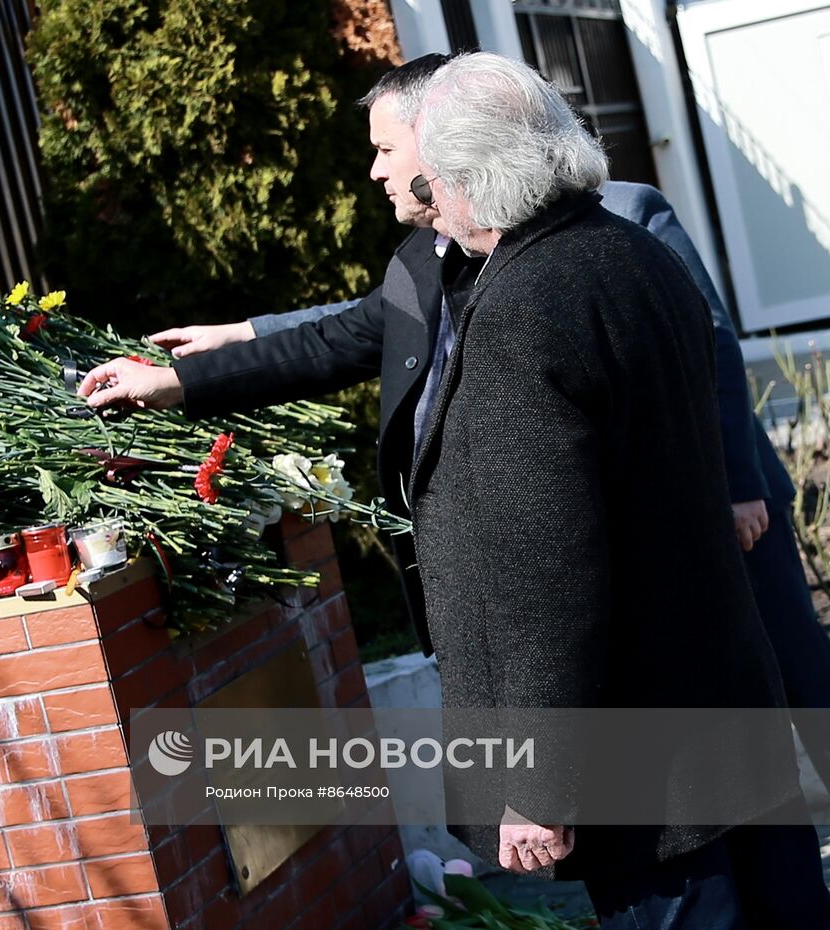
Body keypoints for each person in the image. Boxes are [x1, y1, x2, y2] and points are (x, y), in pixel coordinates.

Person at [80, 52, 830, 927]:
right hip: (709, 708)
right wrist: (186, 375)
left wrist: (543, 786)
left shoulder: (522, 310)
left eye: (410, 158)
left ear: (467, 170)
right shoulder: (615, 251)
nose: (394, 177)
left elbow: (549, 573)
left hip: (639, 749)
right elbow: (348, 334)